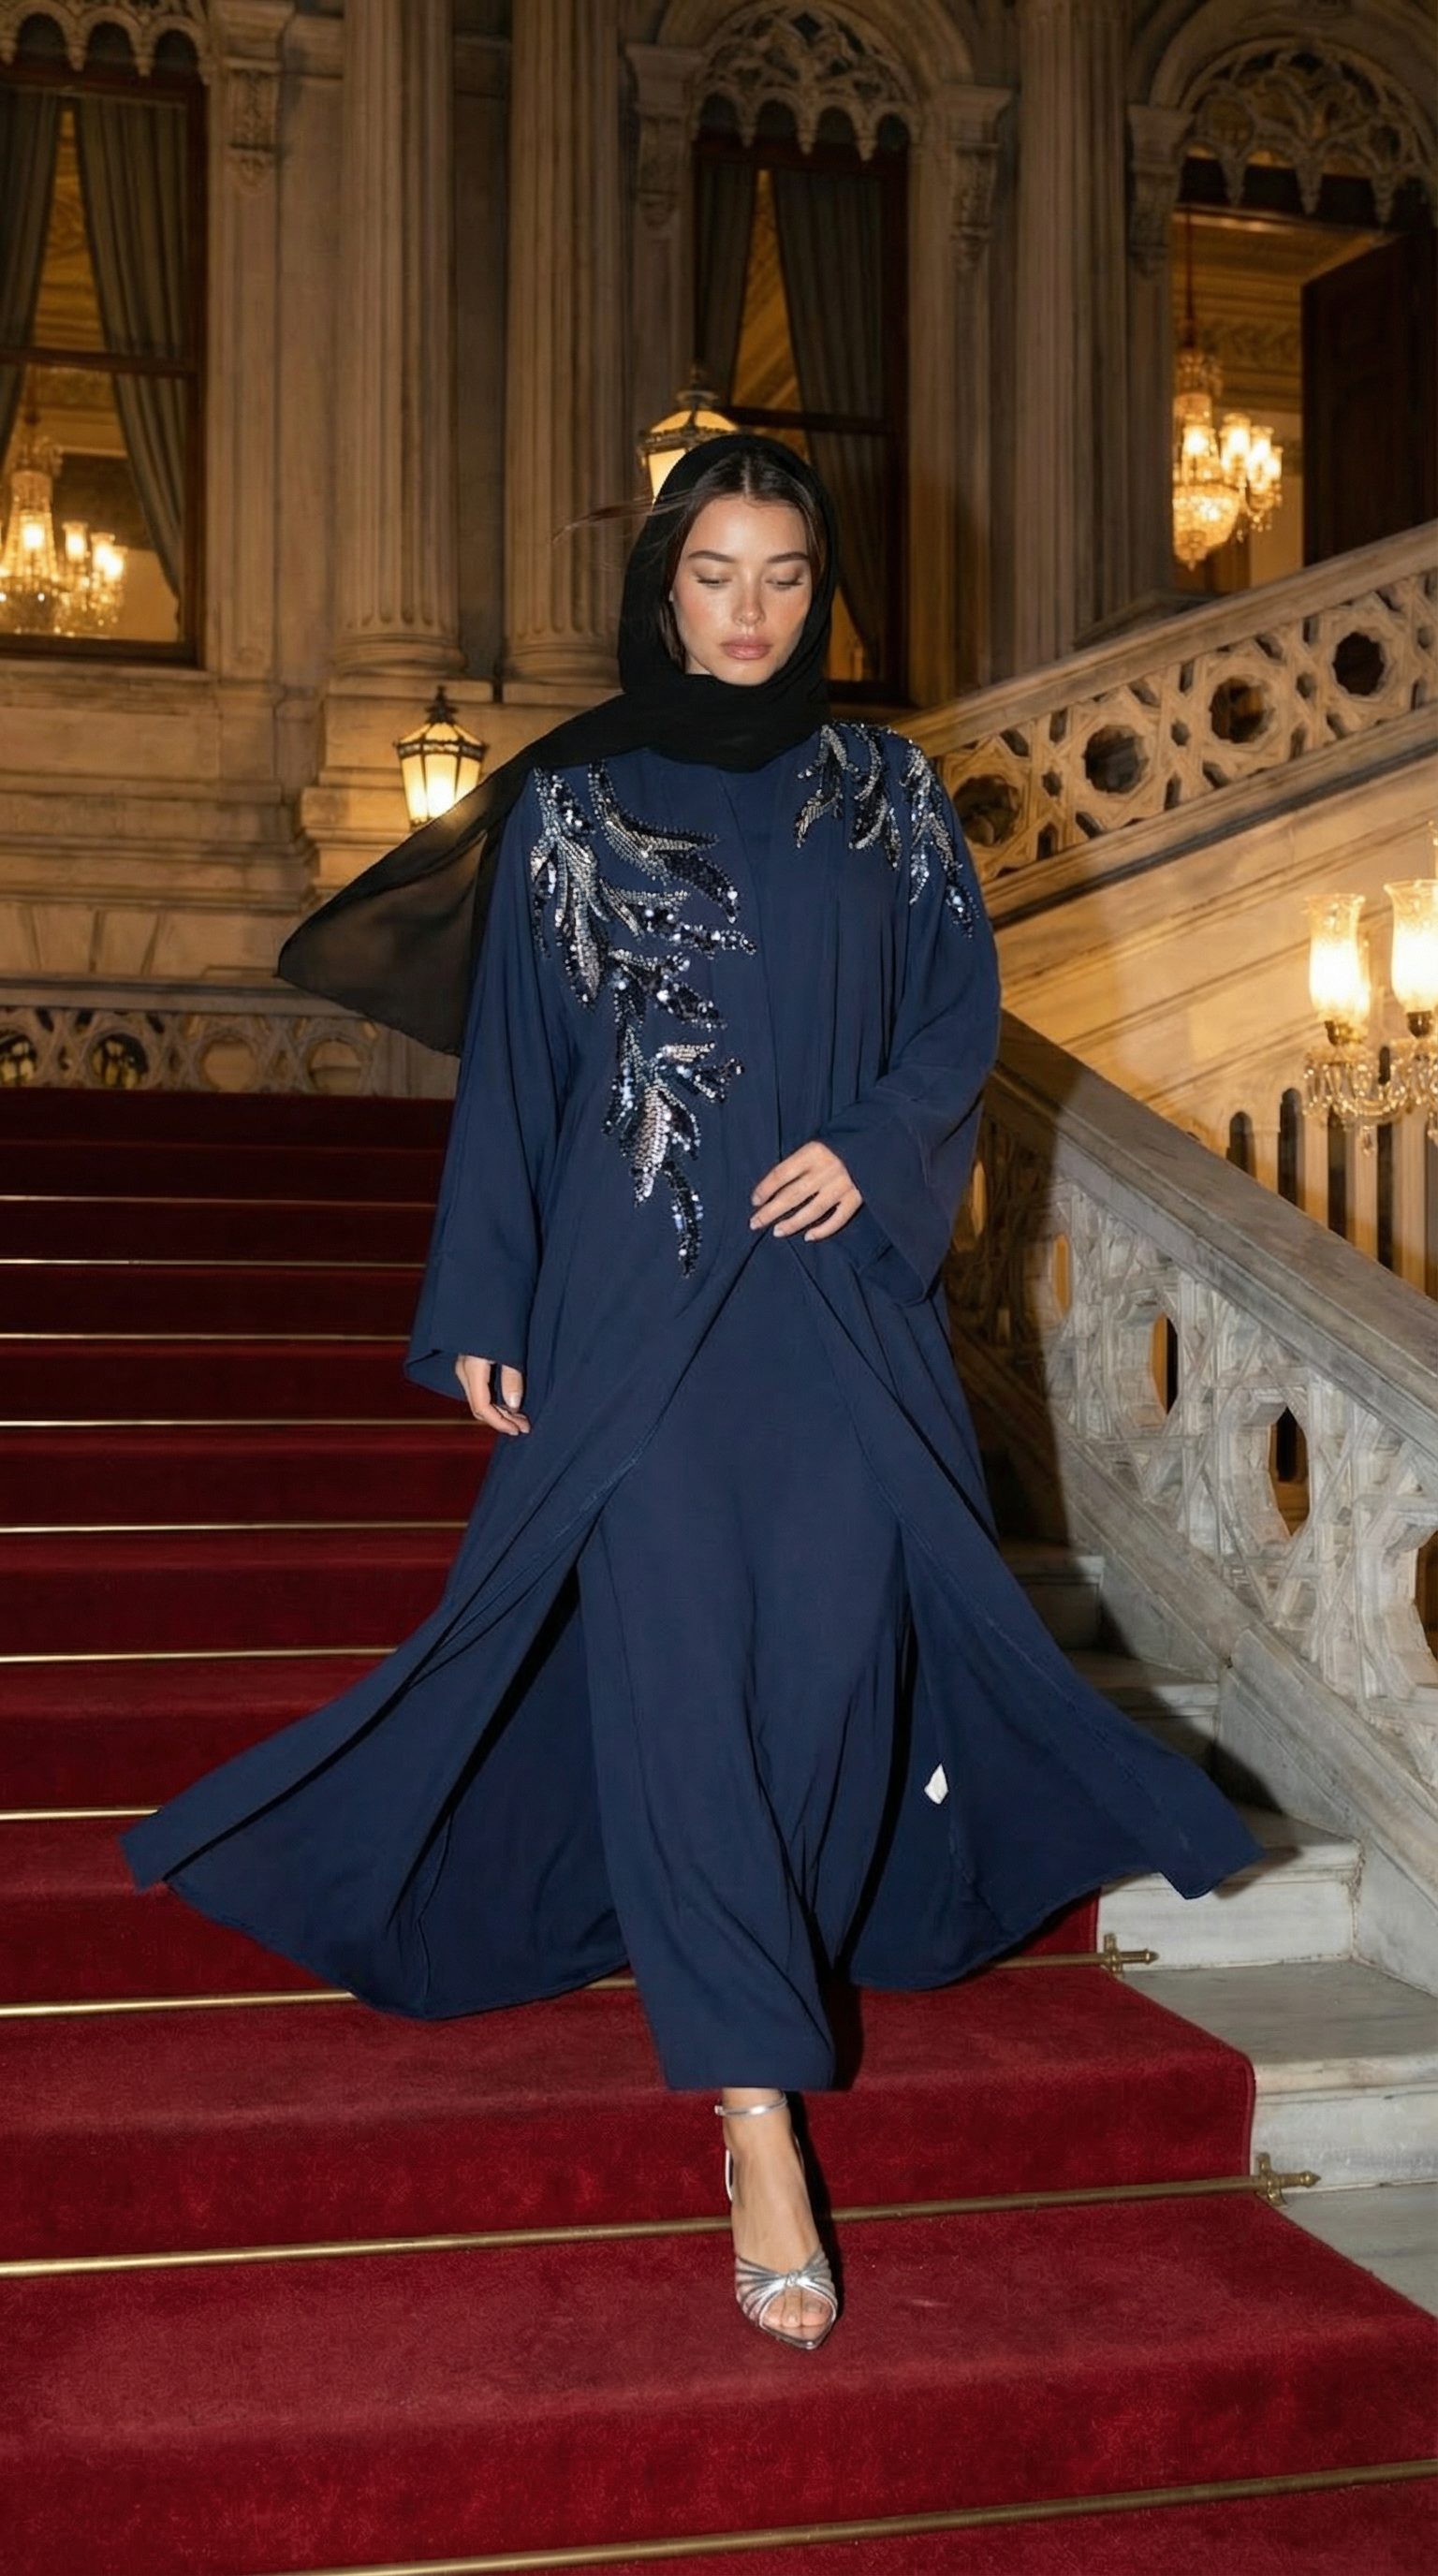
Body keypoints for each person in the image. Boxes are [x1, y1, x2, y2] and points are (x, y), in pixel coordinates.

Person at [125, 436, 1260, 2354]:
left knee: (821, 1683)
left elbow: (956, 1018)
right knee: (677, 1689)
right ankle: (755, 2118)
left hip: (832, 1312)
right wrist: (484, 1301)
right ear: (664, 587)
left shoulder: (888, 793)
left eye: (784, 575)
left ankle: (752, 1988)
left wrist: (876, 1147)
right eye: (715, 573)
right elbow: (521, 1070)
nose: (749, 610)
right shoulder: (574, 802)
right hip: (631, 1313)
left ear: (823, 591)